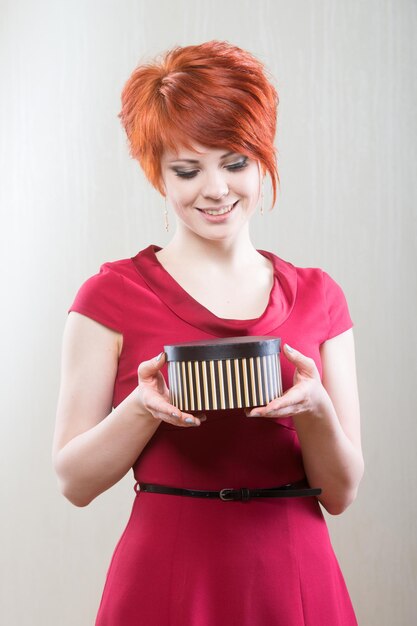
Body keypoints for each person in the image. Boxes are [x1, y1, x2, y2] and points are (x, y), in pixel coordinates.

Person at [53, 40, 364, 625]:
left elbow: (342, 495)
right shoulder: (111, 296)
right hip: (168, 571)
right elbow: (74, 482)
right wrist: (143, 409)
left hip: (294, 570)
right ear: (157, 174)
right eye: (188, 170)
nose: (216, 189)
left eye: (236, 162)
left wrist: (316, 407)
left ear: (262, 157)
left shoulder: (321, 296)